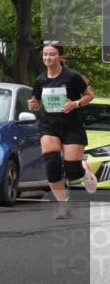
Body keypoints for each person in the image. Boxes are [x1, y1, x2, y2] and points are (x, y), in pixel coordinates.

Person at [27, 41, 98, 218]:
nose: (47, 58)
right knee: (52, 166)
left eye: (51, 54)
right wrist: (33, 105)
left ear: (60, 57)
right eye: (45, 54)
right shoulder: (40, 79)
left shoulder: (72, 77)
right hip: (49, 125)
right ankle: (63, 206)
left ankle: (83, 171)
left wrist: (75, 103)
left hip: (71, 125)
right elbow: (36, 104)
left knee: (72, 170)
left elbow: (90, 95)